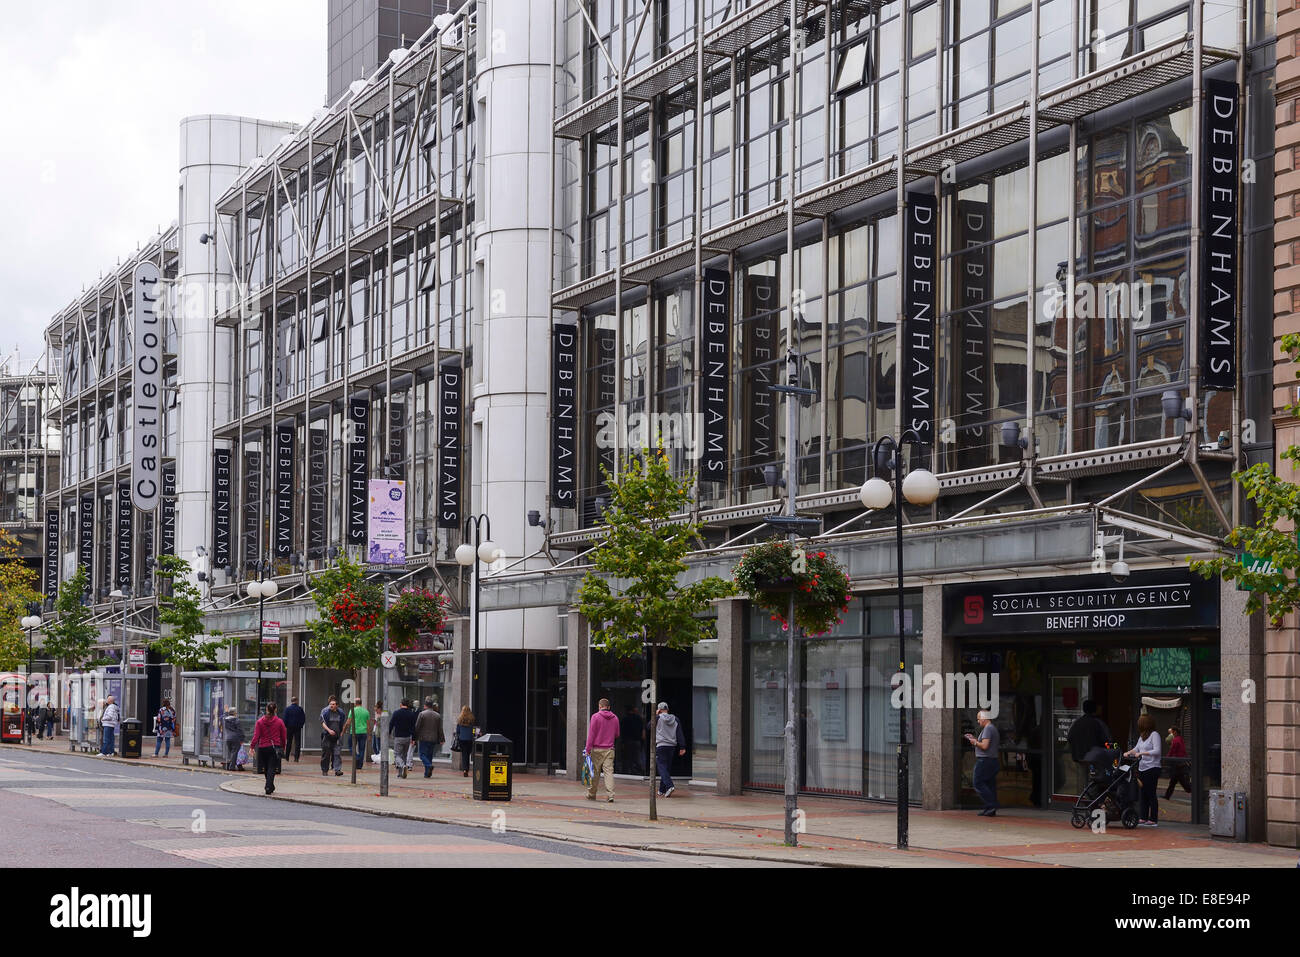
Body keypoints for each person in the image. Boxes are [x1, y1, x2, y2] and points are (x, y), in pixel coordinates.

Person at [1125, 713, 1163, 827]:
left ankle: (1153, 819)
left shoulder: (1154, 735)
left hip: (1152, 768)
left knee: (1151, 793)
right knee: (1143, 793)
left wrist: (1142, 753)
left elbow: (1157, 751)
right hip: (1142, 768)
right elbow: (1136, 748)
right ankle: (1143, 817)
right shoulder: (1142, 736)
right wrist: (1128, 753)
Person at [965, 709, 1000, 816]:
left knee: (978, 783)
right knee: (989, 785)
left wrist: (974, 742)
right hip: (991, 761)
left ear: (984, 718)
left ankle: (992, 804)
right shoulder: (991, 728)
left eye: (979, 718)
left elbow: (984, 746)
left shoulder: (988, 729)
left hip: (985, 761)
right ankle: (990, 809)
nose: (978, 721)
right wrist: (975, 740)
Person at [584, 698, 620, 802]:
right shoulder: (615, 718)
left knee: (595, 773)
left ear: (600, 706)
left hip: (597, 749)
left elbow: (591, 735)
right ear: (609, 707)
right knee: (609, 772)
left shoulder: (595, 717)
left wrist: (587, 749)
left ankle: (592, 793)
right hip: (609, 749)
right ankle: (610, 795)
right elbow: (617, 734)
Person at [1066, 699, 1116, 770]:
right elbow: (1109, 741)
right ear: (1095, 709)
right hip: (1095, 759)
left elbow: (1070, 737)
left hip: (1079, 759)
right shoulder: (1098, 723)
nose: (1101, 708)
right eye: (1099, 707)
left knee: (1083, 779)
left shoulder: (1076, 723)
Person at [251, 701, 287, 794]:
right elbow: (283, 736)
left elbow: (256, 736)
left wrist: (252, 747)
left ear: (266, 709)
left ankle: (270, 785)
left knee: (266, 768)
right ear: (275, 710)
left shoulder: (259, 722)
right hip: (275, 747)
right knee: (272, 767)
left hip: (262, 747)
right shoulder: (279, 722)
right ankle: (268, 786)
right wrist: (283, 746)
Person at [653, 702, 686, 798]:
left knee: (661, 767)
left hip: (661, 745)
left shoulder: (658, 718)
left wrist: (655, 715)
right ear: (667, 709)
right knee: (666, 768)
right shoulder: (676, 719)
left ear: (659, 709)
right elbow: (679, 733)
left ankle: (669, 786)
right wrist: (682, 747)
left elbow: (649, 726)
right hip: (671, 746)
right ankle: (661, 790)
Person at [389, 698, 419, 779]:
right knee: (404, 755)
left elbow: (391, 724)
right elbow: (413, 728)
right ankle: (400, 773)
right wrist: (413, 739)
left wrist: (388, 733)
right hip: (407, 737)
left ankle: (402, 766)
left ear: (401, 704)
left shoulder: (396, 713)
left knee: (397, 755)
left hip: (398, 737)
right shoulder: (411, 714)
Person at [320, 695, 346, 776]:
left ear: (337, 705)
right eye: (330, 704)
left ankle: (337, 769)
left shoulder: (341, 713)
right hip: (327, 736)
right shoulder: (325, 711)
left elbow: (343, 723)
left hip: (337, 736)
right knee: (326, 753)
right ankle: (325, 770)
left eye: (333, 704)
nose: (331, 705)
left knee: (337, 753)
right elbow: (322, 722)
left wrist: (342, 733)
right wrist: (329, 730)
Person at [1164, 727, 1192, 800]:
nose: (1171, 734)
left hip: (1178, 764)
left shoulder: (1176, 740)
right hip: (1181, 763)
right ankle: (1167, 796)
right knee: (1173, 782)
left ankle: (1197, 790)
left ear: (1175, 732)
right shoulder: (1180, 739)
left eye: (1172, 732)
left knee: (1186, 786)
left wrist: (1166, 758)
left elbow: (1172, 750)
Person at [620, 705, 645, 775]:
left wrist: (622, 742)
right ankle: (640, 770)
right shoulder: (639, 718)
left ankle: (628, 771)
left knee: (627, 758)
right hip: (637, 740)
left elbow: (622, 731)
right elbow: (642, 730)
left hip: (628, 741)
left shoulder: (625, 719)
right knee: (637, 757)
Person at [348, 698, 372, 770]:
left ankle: (357, 757)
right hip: (363, 732)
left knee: (351, 746)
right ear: (361, 703)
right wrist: (369, 735)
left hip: (354, 732)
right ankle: (359, 765)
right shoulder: (366, 711)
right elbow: (368, 725)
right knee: (362, 749)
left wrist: (345, 729)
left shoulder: (352, 710)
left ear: (355, 703)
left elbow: (348, 722)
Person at [282, 696, 306, 762]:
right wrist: (300, 725)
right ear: (297, 701)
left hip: (289, 727)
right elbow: (303, 719)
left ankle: (287, 757)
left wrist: (286, 726)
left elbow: (284, 719)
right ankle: (296, 758)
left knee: (289, 742)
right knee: (297, 743)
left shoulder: (287, 709)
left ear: (291, 701)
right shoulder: (300, 709)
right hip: (297, 728)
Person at [454, 707, 475, 776]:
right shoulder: (472, 720)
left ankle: (465, 769)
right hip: (469, 739)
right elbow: (474, 730)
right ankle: (467, 769)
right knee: (468, 754)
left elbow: (457, 731)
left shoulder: (460, 720)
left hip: (462, 739)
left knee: (464, 754)